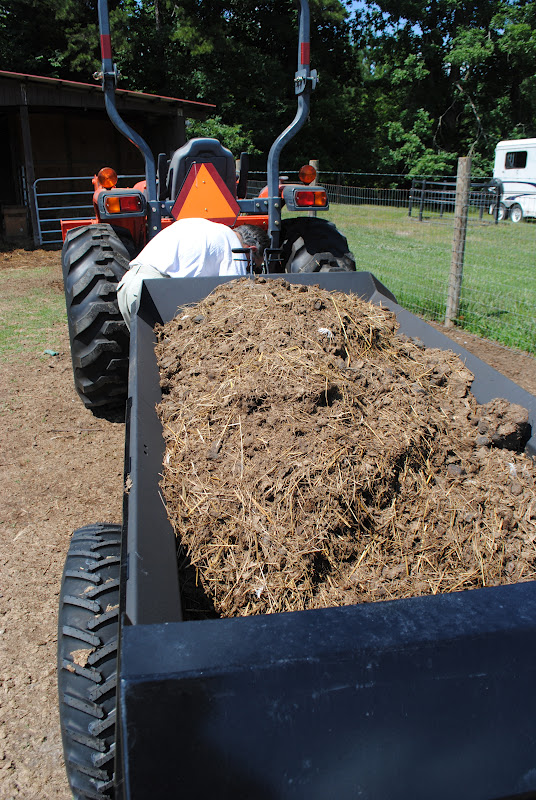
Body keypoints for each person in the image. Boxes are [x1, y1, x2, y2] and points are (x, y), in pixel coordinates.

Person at [117, 218, 270, 328]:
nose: (248, 267)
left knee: (147, 358)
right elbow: (235, 294)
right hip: (152, 292)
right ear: (251, 250)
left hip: (129, 286)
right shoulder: (234, 246)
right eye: (252, 264)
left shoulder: (204, 227)